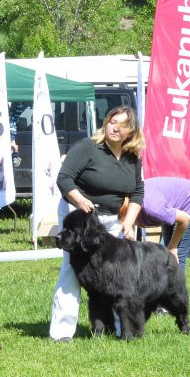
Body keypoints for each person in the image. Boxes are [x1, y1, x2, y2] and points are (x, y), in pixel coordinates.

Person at [49, 106, 145, 342]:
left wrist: (130, 222)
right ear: (106, 123)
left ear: (130, 131)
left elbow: (138, 193)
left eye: (122, 124)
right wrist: (81, 200)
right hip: (79, 217)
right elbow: (64, 178)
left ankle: (115, 327)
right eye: (112, 121)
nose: (115, 127)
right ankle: (61, 332)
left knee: (114, 275)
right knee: (73, 273)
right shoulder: (87, 147)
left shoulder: (132, 158)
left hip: (111, 220)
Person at [135, 177, 190, 269]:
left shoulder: (153, 209)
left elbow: (185, 219)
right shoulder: (126, 201)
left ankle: (177, 283)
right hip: (169, 203)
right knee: (164, 252)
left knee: (177, 255)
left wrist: (173, 246)